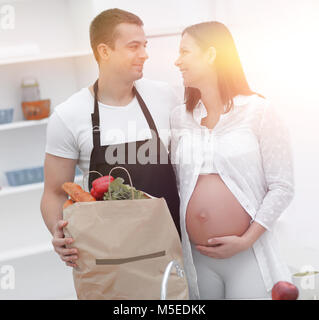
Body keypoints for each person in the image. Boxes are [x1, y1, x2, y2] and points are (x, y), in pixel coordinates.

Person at [40, 8, 181, 269]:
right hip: (110, 258)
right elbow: (53, 191)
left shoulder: (165, 97)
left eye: (145, 45)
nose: (144, 54)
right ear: (104, 51)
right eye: (133, 46)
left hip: (171, 247)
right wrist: (58, 231)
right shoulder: (69, 115)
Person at [170, 21, 295, 299]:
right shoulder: (180, 117)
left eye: (185, 52)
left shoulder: (259, 110)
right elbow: (179, 185)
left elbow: (282, 186)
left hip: (247, 255)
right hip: (198, 259)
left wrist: (245, 240)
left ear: (212, 55)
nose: (177, 61)